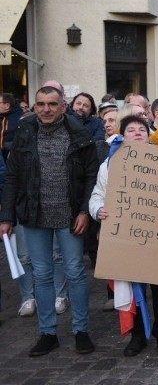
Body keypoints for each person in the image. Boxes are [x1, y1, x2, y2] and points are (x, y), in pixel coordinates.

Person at [89, 116, 158, 356]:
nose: (137, 133)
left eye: (141, 129)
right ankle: (138, 336)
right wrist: (98, 210)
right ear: (124, 135)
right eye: (131, 130)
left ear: (148, 133)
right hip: (127, 236)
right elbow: (97, 195)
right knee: (132, 288)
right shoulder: (111, 163)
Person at [0, 86, 99, 357]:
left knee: (75, 272)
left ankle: (81, 330)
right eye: (41, 104)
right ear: (34, 106)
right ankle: (48, 332)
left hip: (70, 215)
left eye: (52, 104)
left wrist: (83, 211)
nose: (46, 109)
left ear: (63, 106)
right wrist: (6, 216)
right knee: (41, 274)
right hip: (33, 214)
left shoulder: (79, 133)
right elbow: (12, 178)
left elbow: (91, 175)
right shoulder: (25, 132)